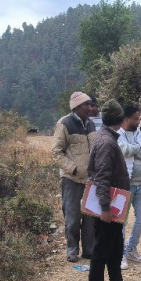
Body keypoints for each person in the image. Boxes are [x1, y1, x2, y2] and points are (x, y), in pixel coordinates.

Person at [85, 99, 136, 281]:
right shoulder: (107, 142)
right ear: (121, 119)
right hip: (110, 206)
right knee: (102, 250)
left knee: (115, 249)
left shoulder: (105, 136)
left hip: (114, 205)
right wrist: (105, 208)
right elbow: (102, 178)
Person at [51, 91, 97, 263]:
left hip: (90, 179)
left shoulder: (91, 124)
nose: (90, 108)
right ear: (77, 107)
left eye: (90, 105)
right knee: (72, 217)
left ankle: (89, 250)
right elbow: (56, 152)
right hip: (71, 179)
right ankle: (72, 250)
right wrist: (73, 169)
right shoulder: (64, 123)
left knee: (90, 217)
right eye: (87, 105)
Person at [117, 105, 141, 264]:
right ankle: (121, 254)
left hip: (140, 183)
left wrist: (134, 149)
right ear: (126, 119)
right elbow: (124, 150)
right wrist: (138, 149)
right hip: (125, 184)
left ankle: (131, 249)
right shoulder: (118, 133)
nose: (139, 121)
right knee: (121, 221)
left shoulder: (138, 132)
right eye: (136, 119)